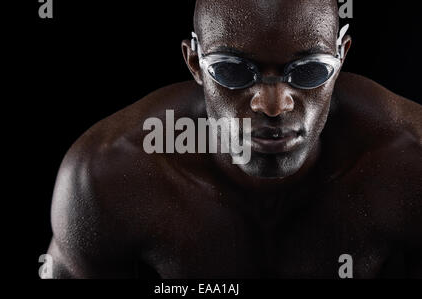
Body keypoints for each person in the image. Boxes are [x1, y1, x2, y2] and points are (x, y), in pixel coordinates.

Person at [47, 0, 422, 278]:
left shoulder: (408, 159)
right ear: (194, 62)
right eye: (232, 71)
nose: (272, 105)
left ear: (341, 57)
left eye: (309, 71)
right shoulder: (106, 174)